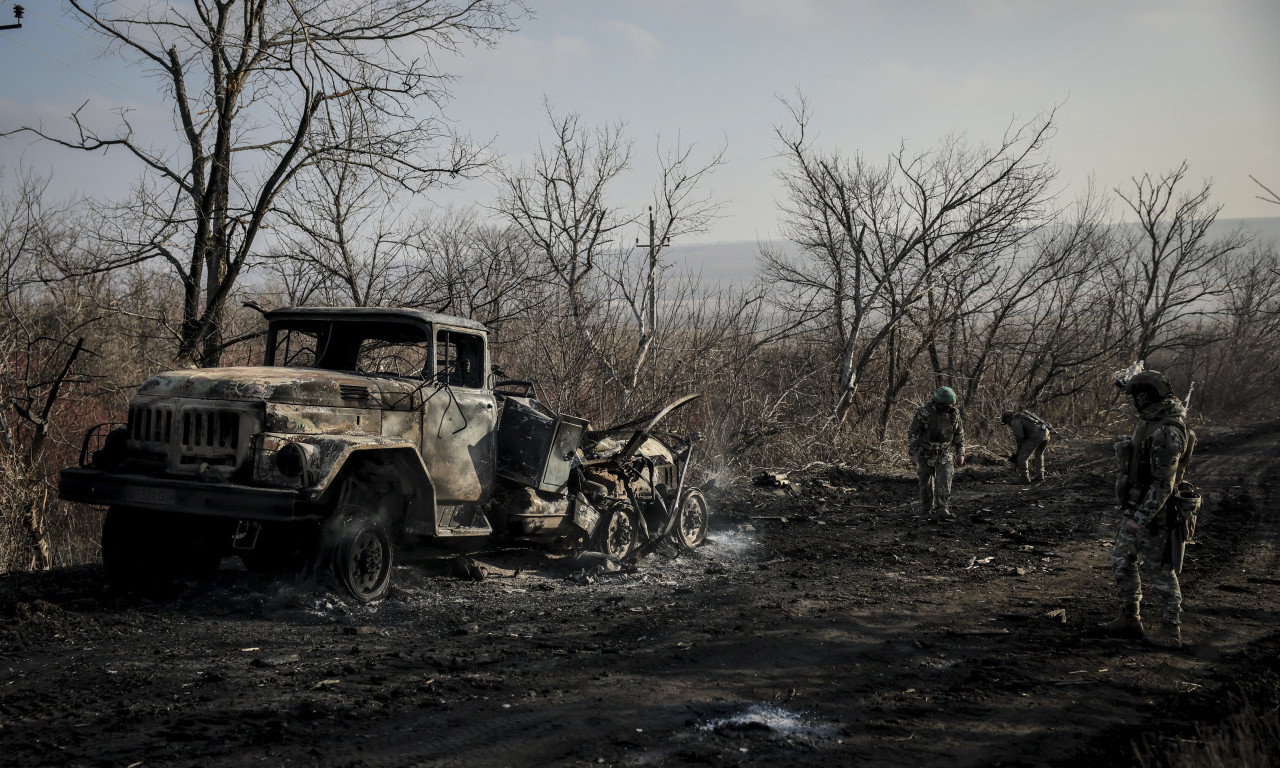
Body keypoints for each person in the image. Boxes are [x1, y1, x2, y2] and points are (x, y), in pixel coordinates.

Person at [1099, 369, 1196, 649]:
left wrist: (1140, 519)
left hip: (1158, 514)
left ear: (1148, 397)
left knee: (1162, 571)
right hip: (1137, 507)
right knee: (1121, 559)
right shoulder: (1151, 423)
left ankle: (1171, 628)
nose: (1135, 402)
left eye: (1138, 396)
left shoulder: (1168, 431)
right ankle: (1130, 617)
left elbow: (1163, 484)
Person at [908, 387, 966, 522]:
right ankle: (926, 509)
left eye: (949, 405)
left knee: (944, 481)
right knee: (926, 483)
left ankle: (942, 508)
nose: (946, 407)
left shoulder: (954, 413)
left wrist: (960, 453)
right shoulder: (923, 413)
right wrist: (913, 452)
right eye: (944, 405)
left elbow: (959, 434)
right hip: (926, 453)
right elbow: (913, 433)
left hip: (945, 453)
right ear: (936, 401)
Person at [1001, 409, 1051, 483]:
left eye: (1007, 422)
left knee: (1022, 457)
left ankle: (1024, 478)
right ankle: (1040, 476)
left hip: (1036, 436)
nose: (1008, 424)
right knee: (1039, 454)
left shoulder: (1015, 421)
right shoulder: (1024, 417)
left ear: (1007, 418)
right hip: (1046, 434)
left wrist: (1019, 448)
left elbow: (1020, 436)